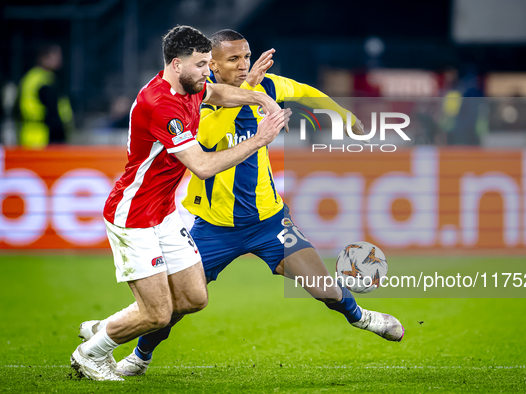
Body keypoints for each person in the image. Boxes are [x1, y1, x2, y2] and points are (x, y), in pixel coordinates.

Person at [80, 29, 403, 377]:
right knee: (178, 303)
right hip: (213, 225)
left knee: (322, 285)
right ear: (211, 66)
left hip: (269, 221)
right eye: (232, 59)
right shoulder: (192, 102)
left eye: (246, 56)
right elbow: (206, 145)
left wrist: (341, 113)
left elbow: (305, 92)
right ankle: (139, 356)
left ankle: (362, 317)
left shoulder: (263, 86)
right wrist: (252, 98)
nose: (243, 64)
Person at [70, 26, 290, 381]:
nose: (208, 71)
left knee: (193, 298)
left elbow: (216, 92)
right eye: (202, 64)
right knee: (157, 314)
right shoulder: (161, 105)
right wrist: (259, 139)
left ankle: (108, 326)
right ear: (176, 64)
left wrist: (258, 97)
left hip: (164, 214)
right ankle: (89, 354)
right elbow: (202, 166)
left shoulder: (190, 86)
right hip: (134, 216)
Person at [18, 43, 73, 148]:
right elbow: (50, 111)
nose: (59, 59)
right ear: (43, 58)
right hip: (40, 136)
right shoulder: (39, 79)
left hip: (44, 135)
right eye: (55, 55)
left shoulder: (45, 77)